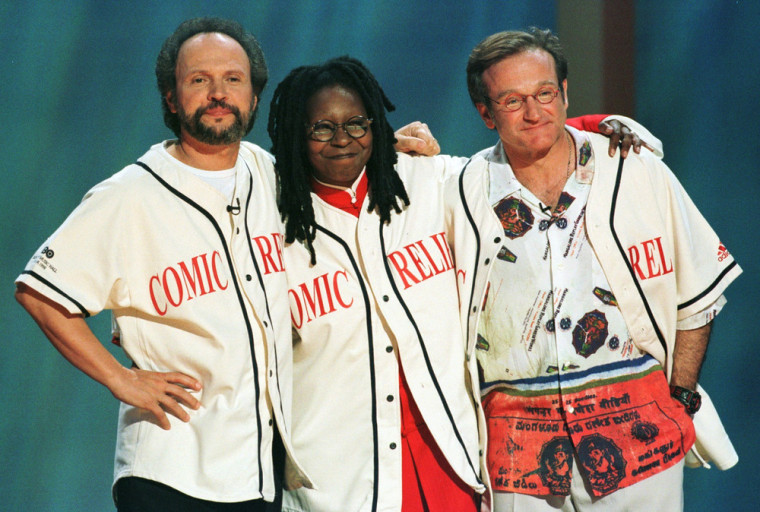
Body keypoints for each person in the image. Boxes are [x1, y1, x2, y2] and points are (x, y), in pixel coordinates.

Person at [266, 56, 648, 512]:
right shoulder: (270, 221)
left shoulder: (424, 181)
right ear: (295, 134)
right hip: (338, 481)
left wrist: (591, 125)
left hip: (447, 464)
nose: (343, 140)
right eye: (321, 129)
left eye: (356, 123)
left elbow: (510, 162)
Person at [444, 28, 741, 511]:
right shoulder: (460, 190)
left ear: (564, 93)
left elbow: (699, 294)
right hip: (517, 454)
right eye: (512, 101)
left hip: (641, 444)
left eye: (544, 93)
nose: (534, 112)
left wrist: (680, 400)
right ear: (485, 113)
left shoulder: (633, 168)